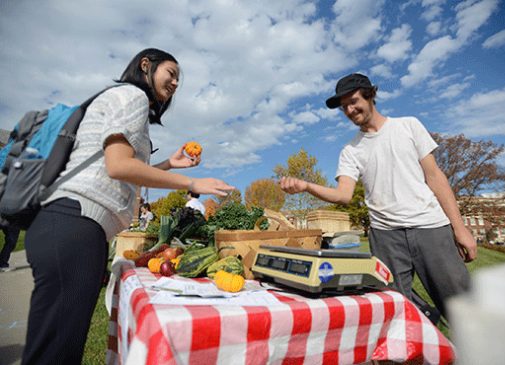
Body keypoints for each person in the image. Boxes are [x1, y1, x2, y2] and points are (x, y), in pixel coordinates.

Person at [22, 48, 234, 365]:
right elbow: (119, 166)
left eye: (179, 78)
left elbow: (125, 175)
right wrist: (192, 184)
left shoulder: (123, 99)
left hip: (68, 226)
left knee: (55, 348)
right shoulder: (132, 96)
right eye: (171, 73)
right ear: (145, 65)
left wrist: (168, 164)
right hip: (75, 225)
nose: (175, 83)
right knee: (55, 354)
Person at [280, 73, 476, 319]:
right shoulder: (351, 150)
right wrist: (306, 185)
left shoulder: (408, 126)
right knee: (394, 309)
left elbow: (435, 177)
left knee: (463, 308)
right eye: (344, 107)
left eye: (353, 101)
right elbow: (343, 195)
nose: (350, 110)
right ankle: (419, 337)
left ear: (370, 95)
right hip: (386, 237)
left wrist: (460, 229)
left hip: (430, 227)